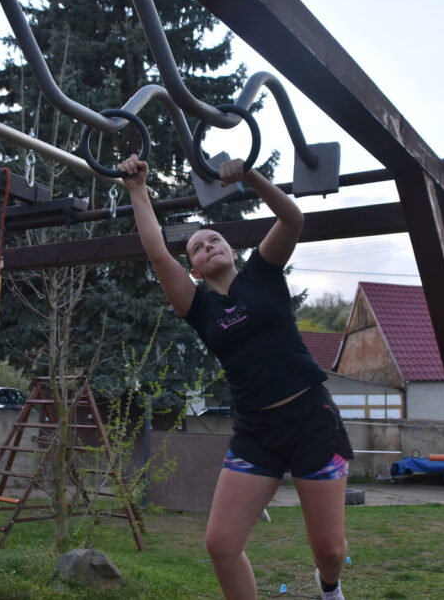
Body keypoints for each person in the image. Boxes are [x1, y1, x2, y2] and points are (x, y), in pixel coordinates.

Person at [119, 153, 353, 600]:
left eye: (215, 240)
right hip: (256, 432)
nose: (208, 246)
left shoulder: (262, 275)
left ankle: (329, 588)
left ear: (233, 252)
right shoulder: (198, 307)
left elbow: (293, 218)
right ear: (194, 269)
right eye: (198, 248)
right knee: (220, 545)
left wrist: (249, 176)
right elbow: (157, 253)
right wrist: (137, 189)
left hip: (311, 420)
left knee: (329, 549)